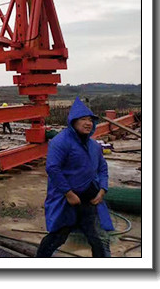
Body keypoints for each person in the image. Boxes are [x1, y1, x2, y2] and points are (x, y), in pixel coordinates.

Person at [36, 97, 113, 257]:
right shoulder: (60, 142)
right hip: (67, 199)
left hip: (89, 198)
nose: (88, 123)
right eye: (83, 119)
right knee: (58, 235)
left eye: (90, 120)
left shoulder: (94, 146)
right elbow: (53, 168)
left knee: (98, 237)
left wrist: (103, 189)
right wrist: (69, 194)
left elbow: (102, 168)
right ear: (73, 121)